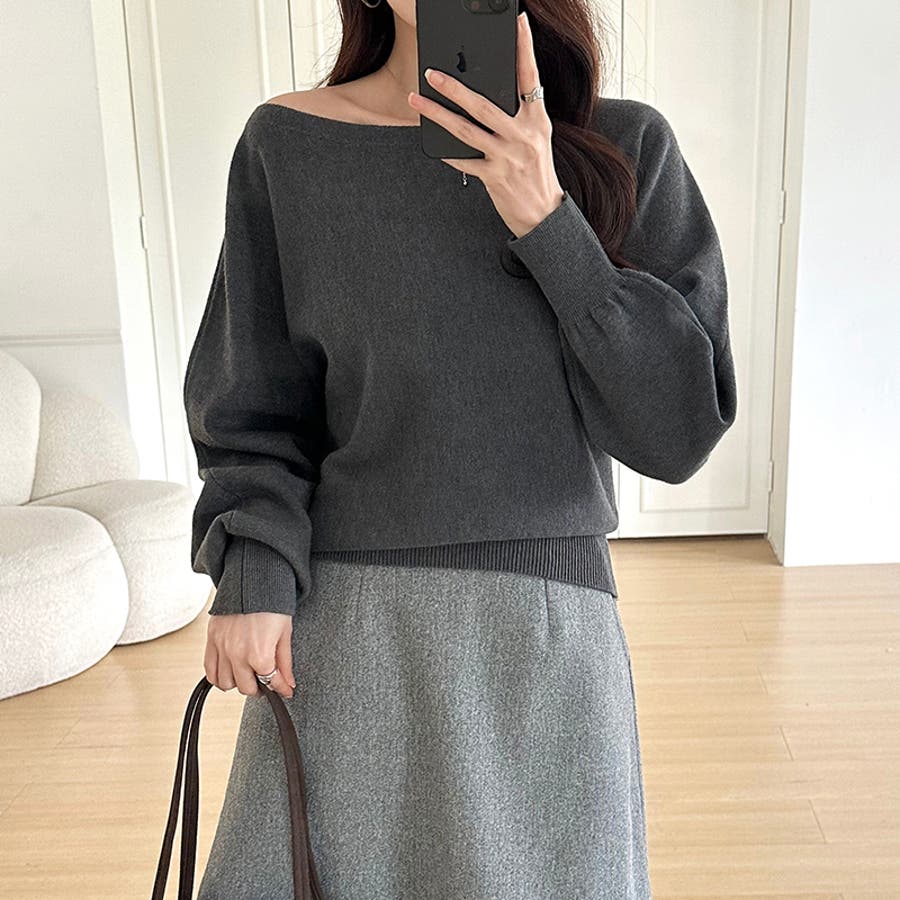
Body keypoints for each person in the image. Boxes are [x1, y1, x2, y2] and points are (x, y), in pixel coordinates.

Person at [183, 2, 737, 897]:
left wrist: (549, 219)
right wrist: (252, 570)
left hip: (547, 637)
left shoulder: (625, 146)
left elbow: (677, 431)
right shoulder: (288, 146)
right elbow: (253, 399)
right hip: (347, 630)